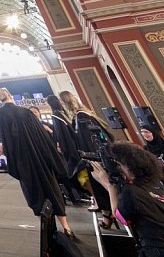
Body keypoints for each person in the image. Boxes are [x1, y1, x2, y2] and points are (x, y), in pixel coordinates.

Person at [89, 142, 164, 256]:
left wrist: (108, 185)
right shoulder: (156, 185)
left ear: (125, 166)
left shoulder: (131, 191)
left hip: (161, 250)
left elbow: (121, 217)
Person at [0, 87, 73, 237]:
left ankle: (47, 230)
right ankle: (66, 227)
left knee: (34, 193)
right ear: (10, 95)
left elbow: (2, 135)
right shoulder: (26, 111)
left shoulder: (0, 114)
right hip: (40, 156)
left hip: (23, 160)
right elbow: (42, 136)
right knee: (52, 189)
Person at [59, 89, 115, 227]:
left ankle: (109, 215)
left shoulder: (81, 117)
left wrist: (90, 157)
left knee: (101, 186)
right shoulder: (85, 114)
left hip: (94, 157)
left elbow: (91, 140)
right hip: (97, 156)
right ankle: (109, 214)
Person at [45, 94, 86, 203]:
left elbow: (60, 135)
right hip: (75, 144)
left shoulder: (56, 115)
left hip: (70, 147)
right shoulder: (61, 114)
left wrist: (61, 146)